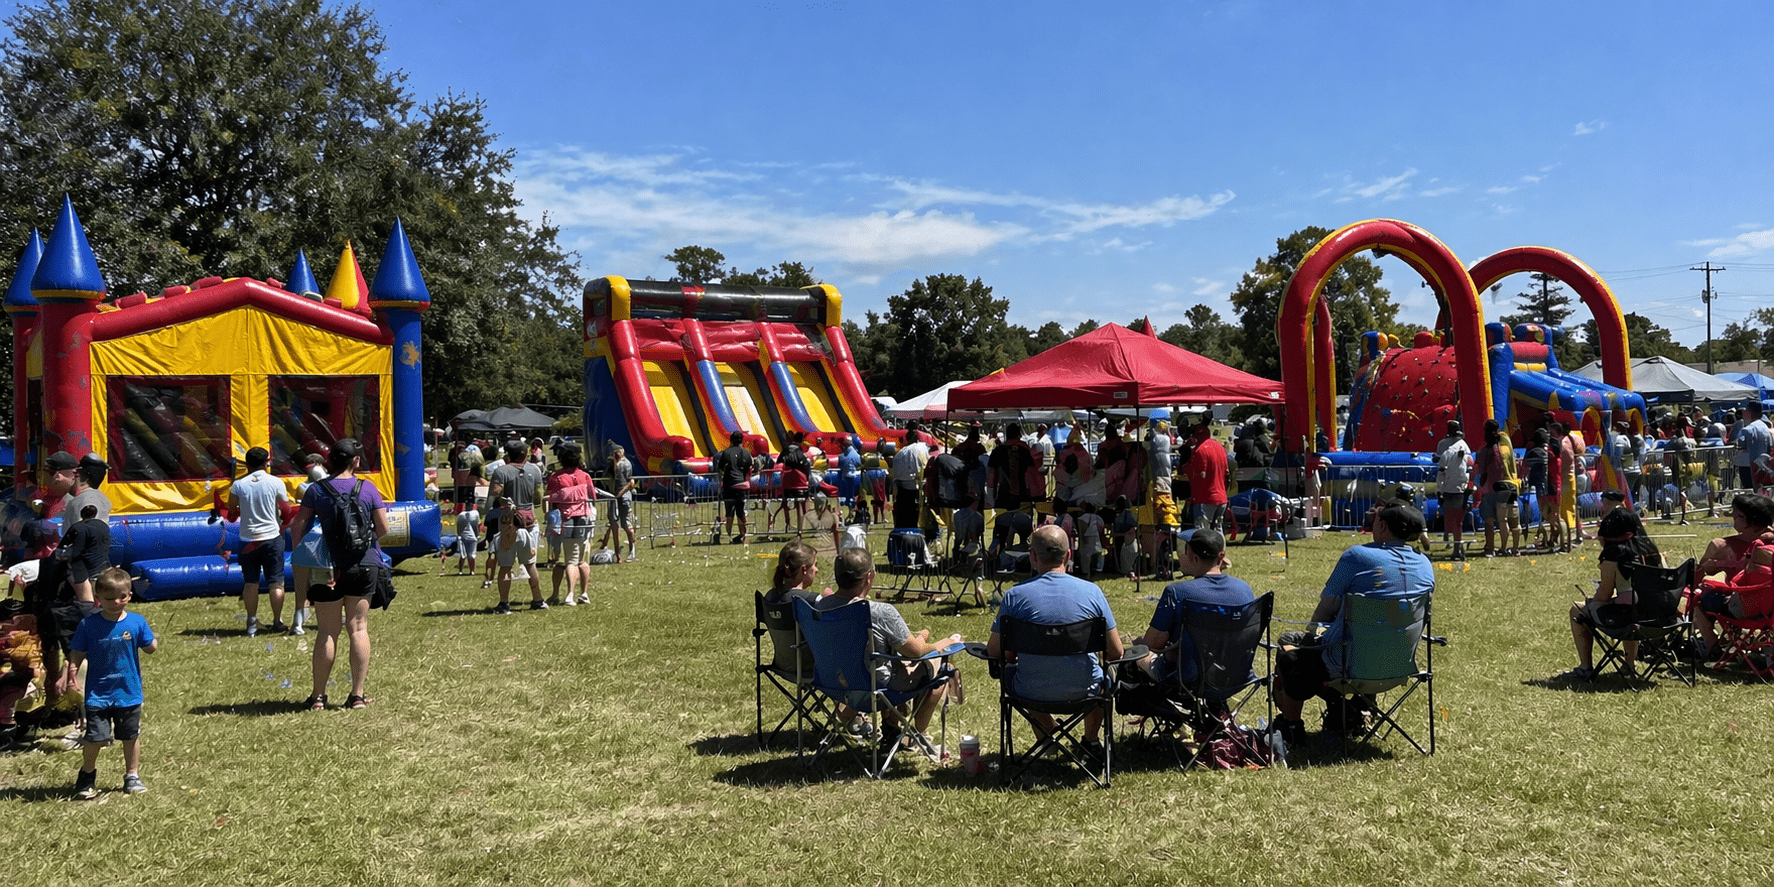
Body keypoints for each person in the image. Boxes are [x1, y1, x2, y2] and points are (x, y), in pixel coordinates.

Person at [1271, 504, 1435, 745]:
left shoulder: (1358, 556)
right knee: (1356, 640)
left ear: (1381, 525)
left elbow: (1326, 608)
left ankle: (1292, 725)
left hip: (1348, 661)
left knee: (1291, 653)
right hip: (1399, 662)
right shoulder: (1425, 565)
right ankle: (1355, 708)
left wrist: (1311, 636)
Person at [986, 525, 1123, 755]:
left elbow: (997, 652)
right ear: (1069, 555)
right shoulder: (1093, 593)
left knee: (1015, 673)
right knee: (1106, 675)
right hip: (1086, 689)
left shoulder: (1014, 597)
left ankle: (1047, 736)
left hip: (1031, 691)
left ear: (1032, 556)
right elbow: (1116, 652)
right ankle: (1091, 740)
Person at [815, 548, 961, 751]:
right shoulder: (880, 612)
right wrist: (946, 642)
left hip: (836, 685)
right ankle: (916, 732)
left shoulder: (821, 607)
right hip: (877, 688)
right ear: (869, 577)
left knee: (892, 660)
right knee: (940, 665)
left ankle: (892, 730)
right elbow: (917, 652)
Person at [291, 438, 389, 711]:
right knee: (358, 628)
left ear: (330, 460)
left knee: (327, 630)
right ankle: (357, 695)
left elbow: (298, 525)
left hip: (325, 566)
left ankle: (318, 697)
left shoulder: (316, 490)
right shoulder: (368, 489)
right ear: (356, 461)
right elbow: (383, 528)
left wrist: (303, 553)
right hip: (364, 563)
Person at [1121, 529, 1254, 723]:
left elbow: (1152, 644)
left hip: (1188, 678)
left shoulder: (1177, 592)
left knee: (1136, 653)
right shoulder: (1244, 590)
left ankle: (1167, 713)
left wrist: (1137, 643)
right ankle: (1212, 710)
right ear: (1221, 556)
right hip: (1234, 674)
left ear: (1192, 556)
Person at [67, 568, 157, 799]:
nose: (116, 602)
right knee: (96, 737)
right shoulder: (89, 625)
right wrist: (71, 675)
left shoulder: (137, 621)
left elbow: (150, 646)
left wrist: (152, 644)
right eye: (109, 599)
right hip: (98, 694)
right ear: (97, 598)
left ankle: (132, 775)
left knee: (130, 736)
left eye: (122, 597)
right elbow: (77, 652)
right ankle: (87, 773)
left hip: (129, 692)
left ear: (129, 595)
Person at [1565, 509, 1665, 679]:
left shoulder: (1613, 557)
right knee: (1629, 606)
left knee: (1577, 610)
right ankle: (1629, 665)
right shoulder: (1653, 552)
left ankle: (1585, 667)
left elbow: (1603, 595)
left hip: (1629, 619)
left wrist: (1591, 602)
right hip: (1659, 616)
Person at [226, 447, 292, 636]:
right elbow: (286, 509)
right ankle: (277, 621)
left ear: (246, 464)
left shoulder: (238, 485)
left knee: (251, 582)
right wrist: (282, 522)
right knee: (276, 582)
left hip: (247, 539)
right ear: (267, 462)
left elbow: (231, 511)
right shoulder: (276, 482)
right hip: (271, 537)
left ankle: (252, 622)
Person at [545, 444, 597, 605]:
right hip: (584, 519)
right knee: (582, 559)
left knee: (567, 560)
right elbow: (592, 496)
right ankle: (584, 593)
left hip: (565, 519)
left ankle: (569, 595)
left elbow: (549, 498)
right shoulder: (585, 476)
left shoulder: (556, 477)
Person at [1473, 419, 1520, 557]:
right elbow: (1505, 437)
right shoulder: (1506, 448)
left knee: (1491, 521)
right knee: (1511, 520)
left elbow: (1479, 473)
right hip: (1510, 486)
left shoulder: (1482, 452)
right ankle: (1513, 548)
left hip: (1490, 489)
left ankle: (1491, 547)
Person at [491, 507, 545, 614]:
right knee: (530, 564)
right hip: (527, 525)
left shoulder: (509, 491)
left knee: (505, 566)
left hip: (510, 526)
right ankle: (538, 600)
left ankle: (504, 603)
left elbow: (496, 490)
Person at [55, 504, 110, 606]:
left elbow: (62, 546)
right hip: (102, 563)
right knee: (100, 590)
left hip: (81, 566)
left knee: (86, 598)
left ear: (81, 514)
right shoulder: (104, 526)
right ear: (95, 514)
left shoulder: (77, 527)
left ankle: (86, 607)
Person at [1436, 421, 1474, 560]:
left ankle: (1457, 548)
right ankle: (1458, 546)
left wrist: (1439, 490)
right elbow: (1470, 468)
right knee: (1458, 522)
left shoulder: (1446, 451)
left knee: (1452, 521)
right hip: (1462, 489)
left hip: (1450, 489)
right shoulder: (1466, 448)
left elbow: (1441, 473)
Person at [1185, 422, 1229, 533]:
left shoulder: (1200, 450)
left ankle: (1203, 551)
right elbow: (1227, 473)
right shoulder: (1220, 447)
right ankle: (1221, 550)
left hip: (1205, 498)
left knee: (1202, 531)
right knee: (1218, 530)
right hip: (1221, 497)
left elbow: (1200, 476)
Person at [487, 441, 544, 524]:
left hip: (507, 518)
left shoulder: (501, 471)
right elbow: (538, 497)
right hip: (529, 517)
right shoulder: (535, 470)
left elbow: (494, 493)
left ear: (508, 454)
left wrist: (488, 512)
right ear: (524, 453)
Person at [599, 443, 639, 562]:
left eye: (618, 452)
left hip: (624, 496)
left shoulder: (626, 464)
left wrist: (621, 493)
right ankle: (617, 554)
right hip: (612, 496)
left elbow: (630, 482)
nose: (616, 454)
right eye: (614, 452)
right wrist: (612, 464)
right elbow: (605, 479)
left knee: (625, 524)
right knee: (614, 524)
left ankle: (632, 549)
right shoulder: (611, 465)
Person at [986, 423, 1037, 513]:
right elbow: (1031, 475)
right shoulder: (1024, 451)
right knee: (1022, 524)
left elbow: (991, 475)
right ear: (1019, 435)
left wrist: (991, 497)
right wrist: (1033, 494)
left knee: (1002, 524)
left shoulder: (998, 451)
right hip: (1022, 497)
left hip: (1003, 497)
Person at [714, 431, 752, 545]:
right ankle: (744, 535)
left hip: (729, 485)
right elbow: (749, 468)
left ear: (730, 440)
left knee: (729, 511)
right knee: (740, 511)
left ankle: (728, 536)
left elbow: (720, 469)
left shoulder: (726, 452)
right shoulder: (746, 453)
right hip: (741, 485)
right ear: (742, 441)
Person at [773, 433, 811, 538]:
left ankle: (787, 524)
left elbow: (778, 463)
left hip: (787, 482)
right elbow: (807, 467)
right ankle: (800, 530)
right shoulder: (801, 453)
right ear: (802, 440)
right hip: (800, 482)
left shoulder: (785, 451)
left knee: (785, 503)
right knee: (800, 506)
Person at [890, 428, 929, 529]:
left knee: (906, 517)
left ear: (906, 439)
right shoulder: (923, 447)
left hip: (906, 489)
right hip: (922, 486)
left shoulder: (900, 454)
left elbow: (896, 479)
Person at [1736, 403, 1772, 492]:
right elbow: (1770, 445)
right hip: (1764, 463)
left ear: (1749, 412)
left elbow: (1741, 444)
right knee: (1762, 488)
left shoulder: (1747, 429)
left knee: (1749, 489)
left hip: (1748, 464)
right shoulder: (1766, 428)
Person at [445, 495, 482, 578]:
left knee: (467, 555)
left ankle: (466, 570)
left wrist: (459, 535)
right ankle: (469, 570)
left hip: (464, 536)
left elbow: (459, 527)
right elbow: (476, 525)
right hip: (468, 537)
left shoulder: (461, 515)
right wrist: (476, 534)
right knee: (468, 555)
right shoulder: (474, 514)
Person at [804, 491, 841, 559]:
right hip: (826, 551)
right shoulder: (833, 517)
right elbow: (836, 533)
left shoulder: (809, 516)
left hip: (816, 553)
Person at [1073, 500, 1106, 579]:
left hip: (1086, 540)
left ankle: (1085, 573)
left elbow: (1082, 531)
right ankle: (1095, 572)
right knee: (1096, 557)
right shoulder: (1099, 518)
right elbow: (1101, 530)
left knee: (1085, 559)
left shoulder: (1083, 518)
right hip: (1097, 540)